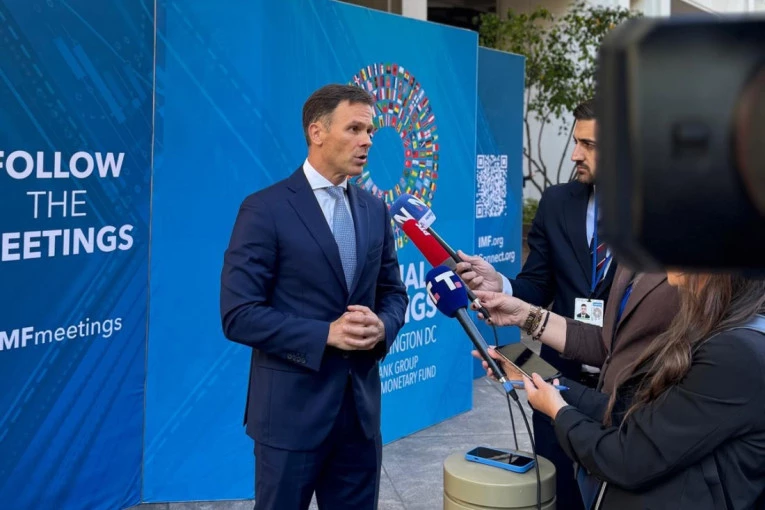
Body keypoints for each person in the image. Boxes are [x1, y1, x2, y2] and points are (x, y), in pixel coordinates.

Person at [220, 84, 408, 510]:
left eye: (370, 131)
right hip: (289, 421)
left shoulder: (375, 210)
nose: (367, 141)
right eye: (355, 129)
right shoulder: (264, 209)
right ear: (317, 132)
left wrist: (383, 326)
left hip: (360, 420)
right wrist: (326, 334)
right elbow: (238, 314)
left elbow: (394, 293)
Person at [481, 272, 765, 509]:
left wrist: (558, 410)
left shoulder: (734, 351)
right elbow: (633, 398)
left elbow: (632, 457)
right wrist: (544, 380)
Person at [458, 99, 617, 510]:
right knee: (560, 495)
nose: (575, 154)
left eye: (589, 144)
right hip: (555, 382)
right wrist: (501, 284)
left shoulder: (662, 216)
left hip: (626, 392)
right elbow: (537, 286)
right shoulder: (558, 202)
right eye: (575, 141)